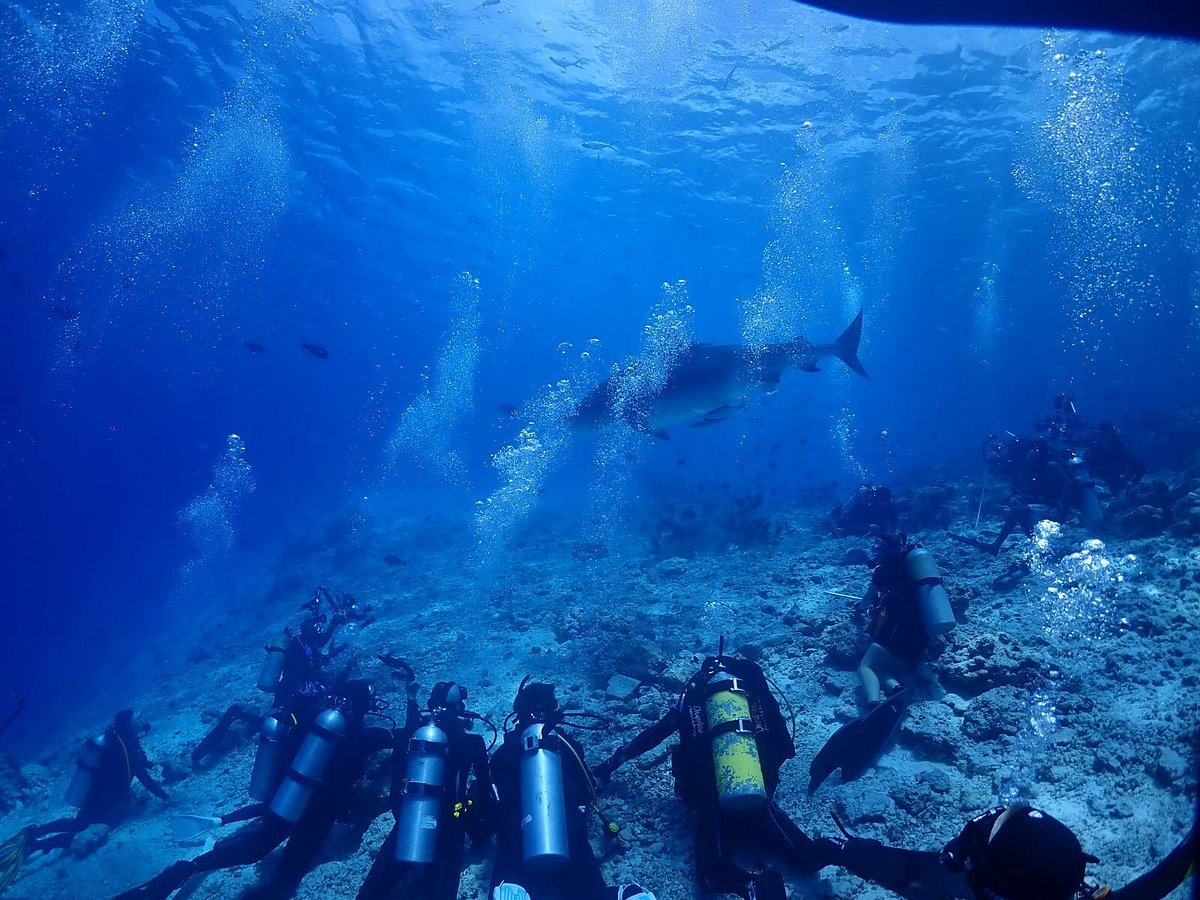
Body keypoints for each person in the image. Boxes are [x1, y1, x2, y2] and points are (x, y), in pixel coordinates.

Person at [592, 650, 839, 900]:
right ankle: (846, 849)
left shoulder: (692, 699)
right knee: (806, 855)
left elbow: (652, 736)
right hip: (756, 794)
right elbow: (784, 746)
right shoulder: (752, 695)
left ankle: (753, 886)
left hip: (714, 802)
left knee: (711, 876)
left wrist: (610, 764)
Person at [114, 678, 391, 900]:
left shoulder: (311, 723)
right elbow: (354, 767)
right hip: (316, 812)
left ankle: (185, 869)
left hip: (285, 798)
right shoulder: (350, 730)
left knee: (255, 847)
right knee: (286, 878)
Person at [809, 533, 955, 794]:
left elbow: (867, 601)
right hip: (918, 641)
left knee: (864, 667)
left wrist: (862, 608)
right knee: (883, 668)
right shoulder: (913, 573)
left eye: (877, 547)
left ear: (887, 551)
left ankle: (875, 707)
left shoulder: (882, 574)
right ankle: (898, 690)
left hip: (896, 635)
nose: (874, 551)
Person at [488, 678, 652, 900]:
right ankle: (621, 895)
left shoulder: (503, 754)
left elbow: (494, 807)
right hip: (568, 832)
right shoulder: (569, 746)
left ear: (518, 713)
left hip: (519, 840)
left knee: (511, 853)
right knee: (587, 883)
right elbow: (587, 792)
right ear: (553, 709)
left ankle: (512, 887)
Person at [833, 803, 1196, 900]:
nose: (952, 856)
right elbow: (1166, 876)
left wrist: (836, 851)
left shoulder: (940, 879)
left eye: (967, 854)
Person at [354, 678, 494, 900]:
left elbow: (398, 775)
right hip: (451, 827)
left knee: (372, 892)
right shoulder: (473, 742)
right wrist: (485, 832)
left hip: (410, 820)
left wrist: (411, 698)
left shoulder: (411, 736)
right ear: (460, 708)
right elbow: (486, 792)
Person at [0, 710, 168, 891]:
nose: (141, 722)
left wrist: (145, 765)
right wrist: (166, 797)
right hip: (102, 800)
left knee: (78, 824)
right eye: (137, 720)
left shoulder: (118, 741)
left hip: (96, 795)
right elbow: (143, 777)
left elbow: (134, 766)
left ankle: (36, 833)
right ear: (129, 726)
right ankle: (37, 843)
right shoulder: (124, 745)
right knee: (82, 831)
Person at [191, 586, 349, 769]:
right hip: (289, 692)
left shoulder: (304, 642)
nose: (318, 635)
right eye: (316, 631)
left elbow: (320, 644)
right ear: (310, 633)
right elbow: (313, 656)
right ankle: (235, 715)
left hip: (292, 688)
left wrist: (333, 625)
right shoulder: (301, 644)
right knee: (273, 721)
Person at [829, 483, 899, 537]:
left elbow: (894, 516)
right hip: (857, 518)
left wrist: (896, 530)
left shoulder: (887, 502)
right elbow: (850, 517)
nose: (883, 502)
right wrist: (867, 526)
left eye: (885, 500)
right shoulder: (865, 500)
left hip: (868, 518)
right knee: (843, 527)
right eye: (881, 500)